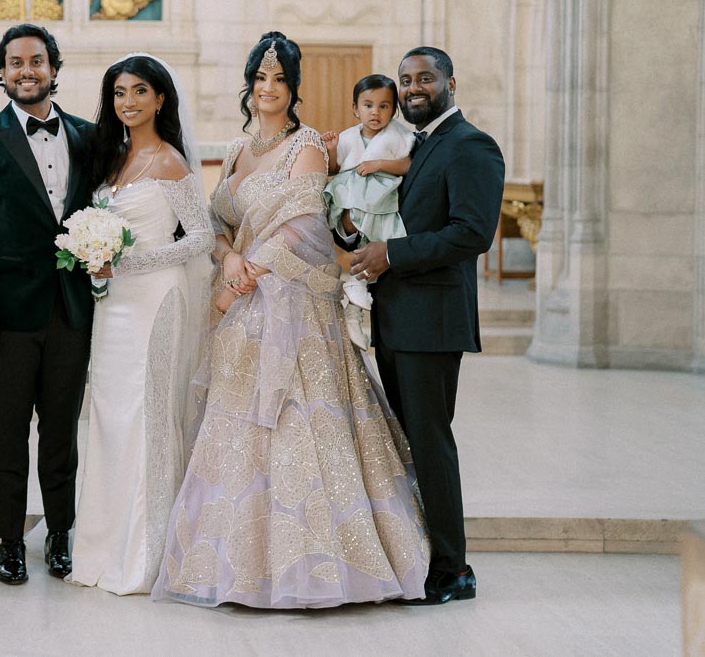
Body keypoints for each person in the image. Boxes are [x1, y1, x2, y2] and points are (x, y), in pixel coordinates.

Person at [153, 31, 430, 610]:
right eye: (260, 79)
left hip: (294, 308)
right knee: (240, 432)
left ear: (293, 88)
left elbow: (305, 228)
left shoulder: (307, 145)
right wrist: (228, 259)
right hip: (241, 301)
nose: (268, 89)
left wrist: (249, 271)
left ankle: (322, 565)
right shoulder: (236, 149)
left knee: (297, 425)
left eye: (279, 80)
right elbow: (215, 219)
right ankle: (238, 564)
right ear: (249, 85)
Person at [345, 46, 505, 605]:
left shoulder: (470, 145)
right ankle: (421, 552)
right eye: (405, 79)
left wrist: (393, 254)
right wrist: (353, 235)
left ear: (450, 82)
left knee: (431, 442)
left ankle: (453, 569)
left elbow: (472, 233)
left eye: (425, 78)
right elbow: (393, 217)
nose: (413, 87)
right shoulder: (418, 145)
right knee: (412, 440)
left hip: (433, 320)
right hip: (396, 316)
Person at [0, 23, 95, 585]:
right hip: (5, 316)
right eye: (15, 62)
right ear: (2, 72)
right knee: (7, 429)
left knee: (61, 430)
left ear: (54, 69)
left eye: (36, 60)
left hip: (72, 310)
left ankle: (61, 533)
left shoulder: (88, 135)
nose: (26, 70)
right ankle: (9, 540)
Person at [69, 54, 213, 595]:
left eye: (139, 92)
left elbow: (198, 239)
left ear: (160, 99)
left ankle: (146, 554)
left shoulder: (171, 161)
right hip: (112, 307)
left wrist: (128, 262)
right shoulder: (113, 160)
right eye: (119, 93)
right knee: (108, 417)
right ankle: (102, 549)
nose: (128, 102)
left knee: (147, 416)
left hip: (156, 300)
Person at [321, 74, 413, 312]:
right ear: (355, 109)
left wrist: (379, 164)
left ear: (394, 111)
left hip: (379, 198)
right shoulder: (350, 136)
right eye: (368, 105)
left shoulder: (397, 135)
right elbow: (333, 168)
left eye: (384, 106)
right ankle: (355, 296)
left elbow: (407, 165)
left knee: (377, 240)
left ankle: (358, 289)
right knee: (356, 238)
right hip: (351, 196)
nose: (375, 112)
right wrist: (331, 150)